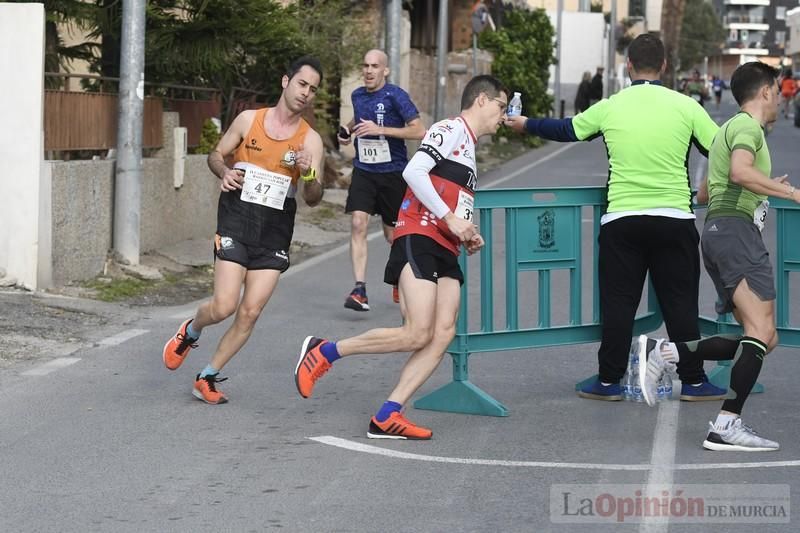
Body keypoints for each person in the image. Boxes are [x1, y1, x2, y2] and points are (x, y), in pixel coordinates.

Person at [506, 34, 725, 402]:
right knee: (680, 303)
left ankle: (608, 381)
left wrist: (525, 123)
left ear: (628, 66)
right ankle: (693, 381)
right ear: (665, 67)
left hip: (622, 219)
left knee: (620, 304)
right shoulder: (685, 106)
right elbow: (719, 149)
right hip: (673, 218)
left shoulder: (611, 106)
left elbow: (567, 129)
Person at [293, 75, 508, 439]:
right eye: (502, 107)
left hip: (446, 245)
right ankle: (325, 351)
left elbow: (453, 198)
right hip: (420, 234)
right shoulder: (449, 129)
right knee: (417, 332)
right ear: (482, 100)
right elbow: (414, 171)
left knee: (442, 334)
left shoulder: (469, 148)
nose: (504, 117)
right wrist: (449, 218)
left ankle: (388, 413)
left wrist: (466, 230)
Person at [641, 61, 798, 451]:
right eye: (777, 91)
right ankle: (726, 424)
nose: (779, 98)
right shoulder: (748, 127)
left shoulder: (726, 129)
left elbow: (709, 192)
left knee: (764, 336)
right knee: (760, 332)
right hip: (735, 235)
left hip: (719, 232)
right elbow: (741, 174)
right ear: (764, 92)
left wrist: (764, 188)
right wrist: (791, 193)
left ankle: (666, 352)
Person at [161, 56, 325, 404]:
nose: (305, 93)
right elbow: (216, 155)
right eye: (302, 84)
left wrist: (309, 173)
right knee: (224, 306)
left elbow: (313, 198)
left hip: (275, 230)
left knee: (250, 311)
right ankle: (191, 330)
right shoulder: (250, 120)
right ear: (285, 81)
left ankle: (206, 376)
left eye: (312, 90)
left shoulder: (310, 141)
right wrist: (224, 172)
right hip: (237, 218)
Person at [338, 49, 426, 312]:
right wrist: (347, 131)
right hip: (364, 170)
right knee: (357, 223)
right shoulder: (357, 95)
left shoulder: (396, 96)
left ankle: (405, 280)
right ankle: (359, 289)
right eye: (365, 65)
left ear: (385, 70)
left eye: (374, 66)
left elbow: (419, 130)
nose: (368, 70)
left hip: (393, 173)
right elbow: (358, 119)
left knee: (393, 234)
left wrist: (381, 130)